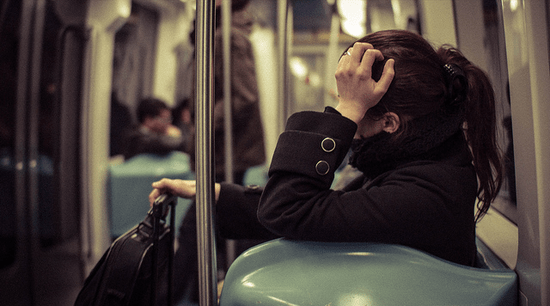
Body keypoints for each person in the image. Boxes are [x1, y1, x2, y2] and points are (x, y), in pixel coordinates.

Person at [150, 29, 503, 300]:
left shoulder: (428, 191)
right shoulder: (420, 160)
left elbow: (292, 208)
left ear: (390, 122)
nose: (341, 106)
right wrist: (218, 194)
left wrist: (345, 112)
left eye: (351, 103)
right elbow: (328, 210)